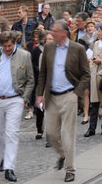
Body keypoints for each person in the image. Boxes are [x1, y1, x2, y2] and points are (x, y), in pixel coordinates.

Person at [35, 20, 90, 182]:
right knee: (51, 133)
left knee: (68, 134)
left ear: (64, 34)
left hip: (69, 96)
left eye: (55, 31)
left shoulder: (77, 49)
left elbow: (86, 74)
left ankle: (70, 169)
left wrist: (76, 94)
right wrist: (40, 94)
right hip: (51, 96)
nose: (52, 33)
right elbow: (43, 73)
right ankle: (63, 155)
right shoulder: (49, 48)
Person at [0, 31, 34, 182]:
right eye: (4, 46)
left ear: (15, 43)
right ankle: (5, 157)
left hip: (14, 99)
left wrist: (23, 98)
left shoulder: (24, 55)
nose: (7, 49)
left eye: (10, 46)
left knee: (12, 133)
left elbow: (30, 79)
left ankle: (9, 167)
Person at [84, 24, 102, 137]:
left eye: (99, 31)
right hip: (94, 75)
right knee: (94, 103)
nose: (97, 32)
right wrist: (92, 61)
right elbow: (92, 57)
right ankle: (91, 128)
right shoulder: (96, 43)